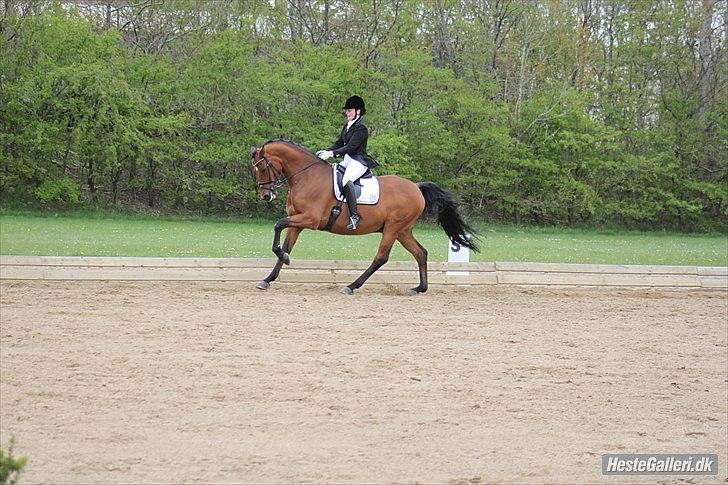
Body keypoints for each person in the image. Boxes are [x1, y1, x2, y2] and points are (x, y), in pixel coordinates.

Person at [317, 95, 378, 230]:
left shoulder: (361, 128)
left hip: (358, 161)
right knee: (331, 175)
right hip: (348, 160)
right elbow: (339, 143)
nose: (347, 113)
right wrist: (326, 151)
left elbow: (351, 147)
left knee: (346, 180)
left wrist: (332, 154)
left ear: (358, 111)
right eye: (347, 110)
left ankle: (354, 216)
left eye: (349, 110)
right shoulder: (347, 125)